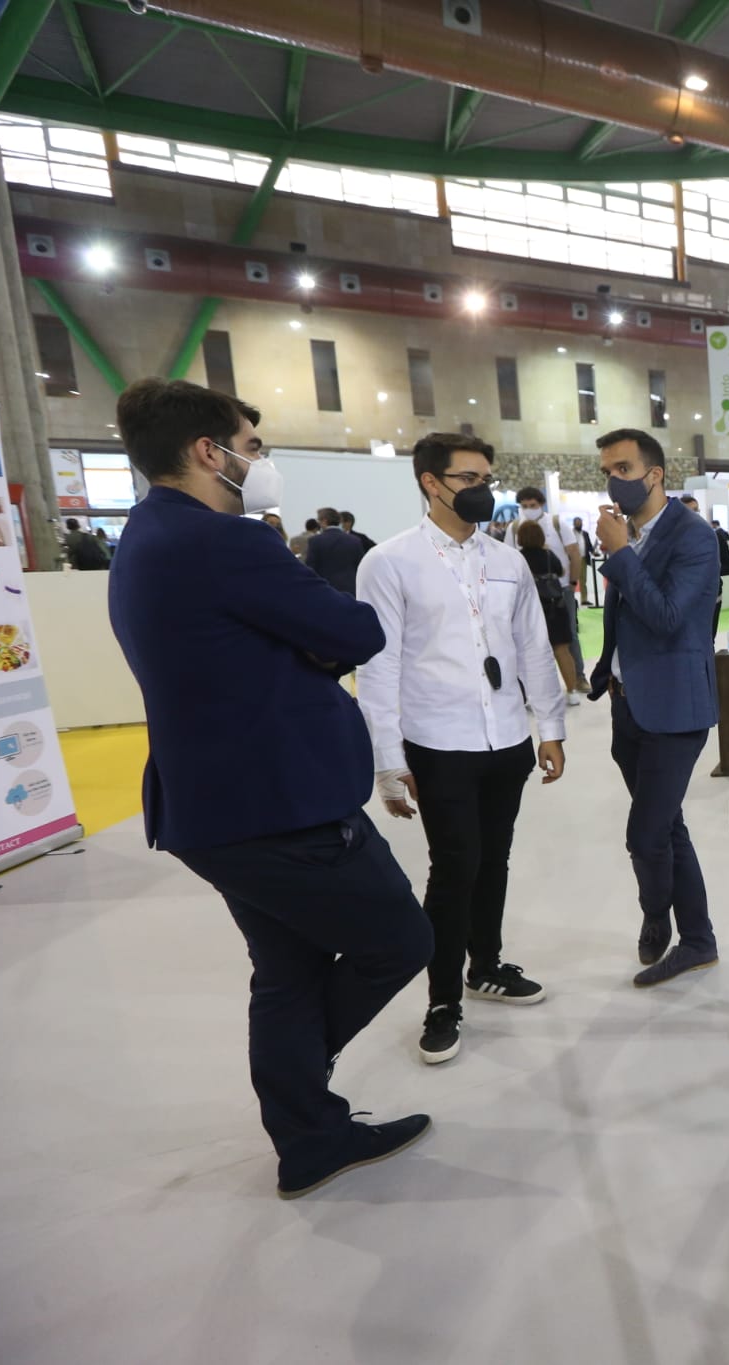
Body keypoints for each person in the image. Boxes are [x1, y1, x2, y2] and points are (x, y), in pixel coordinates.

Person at [107, 378, 431, 1199]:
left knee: (285, 972)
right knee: (399, 939)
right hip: (283, 807)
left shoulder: (144, 536)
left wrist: (300, 648)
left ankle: (309, 1135)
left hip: (209, 808)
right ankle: (302, 1091)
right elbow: (357, 631)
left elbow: (246, 654)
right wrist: (310, 647)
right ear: (208, 453)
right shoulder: (226, 542)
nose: (263, 462)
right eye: (254, 448)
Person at [357, 434, 567, 1065]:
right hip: (439, 742)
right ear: (431, 482)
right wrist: (388, 761)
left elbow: (532, 646)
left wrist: (549, 725)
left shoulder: (506, 560)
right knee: (454, 869)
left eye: (487, 475)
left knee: (494, 859)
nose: (484, 487)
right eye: (469, 476)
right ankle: (443, 997)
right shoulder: (389, 563)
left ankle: (487, 965)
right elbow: (379, 666)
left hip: (506, 738)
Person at [590, 429, 722, 986]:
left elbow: (668, 617)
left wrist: (620, 555)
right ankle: (699, 940)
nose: (614, 480)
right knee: (668, 826)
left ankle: (656, 918)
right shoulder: (633, 534)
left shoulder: (693, 536)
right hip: (629, 706)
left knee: (645, 835)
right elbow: (624, 620)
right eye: (607, 471)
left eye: (623, 468)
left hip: (675, 709)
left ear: (655, 474)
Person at [507, 487, 587, 702]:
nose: (528, 509)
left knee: (561, 639)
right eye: (524, 506)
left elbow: (573, 554)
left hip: (556, 592)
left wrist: (572, 583)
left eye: (532, 505)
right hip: (541, 596)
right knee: (558, 642)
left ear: (540, 503)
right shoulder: (515, 528)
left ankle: (577, 678)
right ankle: (569, 689)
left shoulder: (556, 523)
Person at [680, 494, 729, 638]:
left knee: (707, 640)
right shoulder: (673, 539)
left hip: (711, 596)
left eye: (695, 510)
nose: (693, 515)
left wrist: (706, 570)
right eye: (688, 511)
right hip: (683, 598)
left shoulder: (715, 537)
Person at [306, 506, 366, 595]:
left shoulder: (315, 541)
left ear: (324, 521)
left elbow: (311, 567)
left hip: (325, 589)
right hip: (350, 589)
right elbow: (360, 566)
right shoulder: (354, 540)